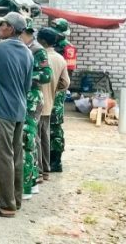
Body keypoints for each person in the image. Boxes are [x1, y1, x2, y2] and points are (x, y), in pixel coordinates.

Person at [0, 12, 33, 218]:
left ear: (11, 28)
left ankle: (6, 206)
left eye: (2, 25)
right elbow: (27, 85)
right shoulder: (28, 52)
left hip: (2, 110)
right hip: (19, 109)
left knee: (4, 157)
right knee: (16, 156)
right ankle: (15, 198)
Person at [19, 19, 51, 200]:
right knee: (27, 140)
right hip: (25, 97)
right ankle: (31, 182)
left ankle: (28, 185)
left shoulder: (37, 50)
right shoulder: (25, 48)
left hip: (32, 97)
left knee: (27, 140)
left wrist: (23, 76)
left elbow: (46, 75)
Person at [36, 27, 70, 180]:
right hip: (49, 103)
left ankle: (37, 171)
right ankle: (46, 169)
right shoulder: (60, 59)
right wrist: (53, 89)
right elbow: (65, 83)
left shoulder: (38, 56)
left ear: (42, 41)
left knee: (35, 138)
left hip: (35, 105)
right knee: (45, 137)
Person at [49, 18, 76, 172]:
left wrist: (60, 88)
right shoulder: (50, 44)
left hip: (58, 89)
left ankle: (56, 160)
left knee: (55, 124)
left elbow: (69, 74)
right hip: (47, 87)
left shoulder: (68, 48)